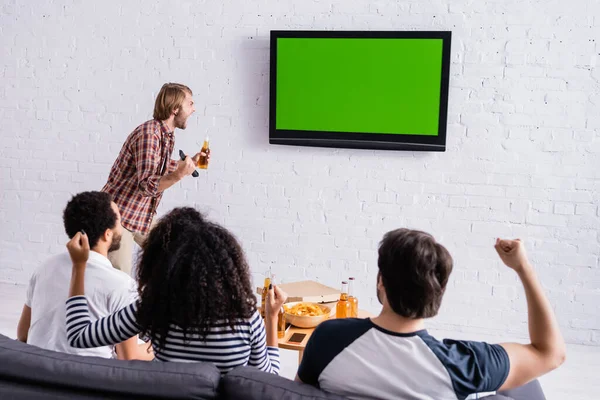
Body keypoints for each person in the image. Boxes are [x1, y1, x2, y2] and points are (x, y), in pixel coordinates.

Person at [295, 229, 566, 400]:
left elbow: (295, 393)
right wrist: (523, 268)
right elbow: (550, 354)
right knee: (523, 385)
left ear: (381, 280)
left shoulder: (328, 338)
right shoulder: (465, 366)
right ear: (439, 292)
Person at [63, 207, 286, 374]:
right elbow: (268, 379)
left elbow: (78, 335)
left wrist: (79, 266)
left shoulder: (153, 310)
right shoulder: (247, 320)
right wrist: (272, 318)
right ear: (227, 269)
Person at [16, 191, 151, 360]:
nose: (123, 224)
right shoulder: (123, 285)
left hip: (39, 371)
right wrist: (155, 346)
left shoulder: (44, 268)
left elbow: (23, 334)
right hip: (89, 379)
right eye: (119, 219)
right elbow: (129, 358)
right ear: (107, 234)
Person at [102, 83, 209, 276]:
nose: (194, 109)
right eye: (190, 103)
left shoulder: (166, 135)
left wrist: (189, 163)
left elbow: (159, 166)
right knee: (120, 281)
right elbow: (147, 186)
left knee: (173, 253)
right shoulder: (149, 135)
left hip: (141, 215)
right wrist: (179, 174)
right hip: (119, 217)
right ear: (175, 108)